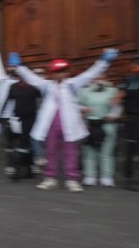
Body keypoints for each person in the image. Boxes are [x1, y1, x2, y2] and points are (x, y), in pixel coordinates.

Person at [9, 49, 119, 191]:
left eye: (63, 71)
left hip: (69, 125)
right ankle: (50, 177)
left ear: (67, 72)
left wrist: (104, 61)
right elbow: (31, 78)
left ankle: (72, 179)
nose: (61, 74)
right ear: (52, 73)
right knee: (50, 152)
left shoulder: (73, 84)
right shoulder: (46, 86)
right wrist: (19, 67)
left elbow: (90, 74)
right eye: (57, 71)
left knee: (70, 152)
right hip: (50, 125)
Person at [78, 72, 121, 187]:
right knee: (89, 152)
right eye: (96, 77)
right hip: (90, 124)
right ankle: (89, 175)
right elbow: (77, 105)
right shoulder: (84, 91)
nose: (99, 79)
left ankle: (106, 176)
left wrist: (113, 115)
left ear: (106, 77)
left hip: (106, 124)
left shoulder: (113, 91)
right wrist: (83, 110)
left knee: (107, 152)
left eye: (102, 76)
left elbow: (117, 106)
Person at [118, 55, 139, 191]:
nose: (135, 65)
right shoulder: (128, 81)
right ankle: (129, 179)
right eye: (135, 63)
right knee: (131, 148)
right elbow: (118, 98)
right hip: (133, 118)